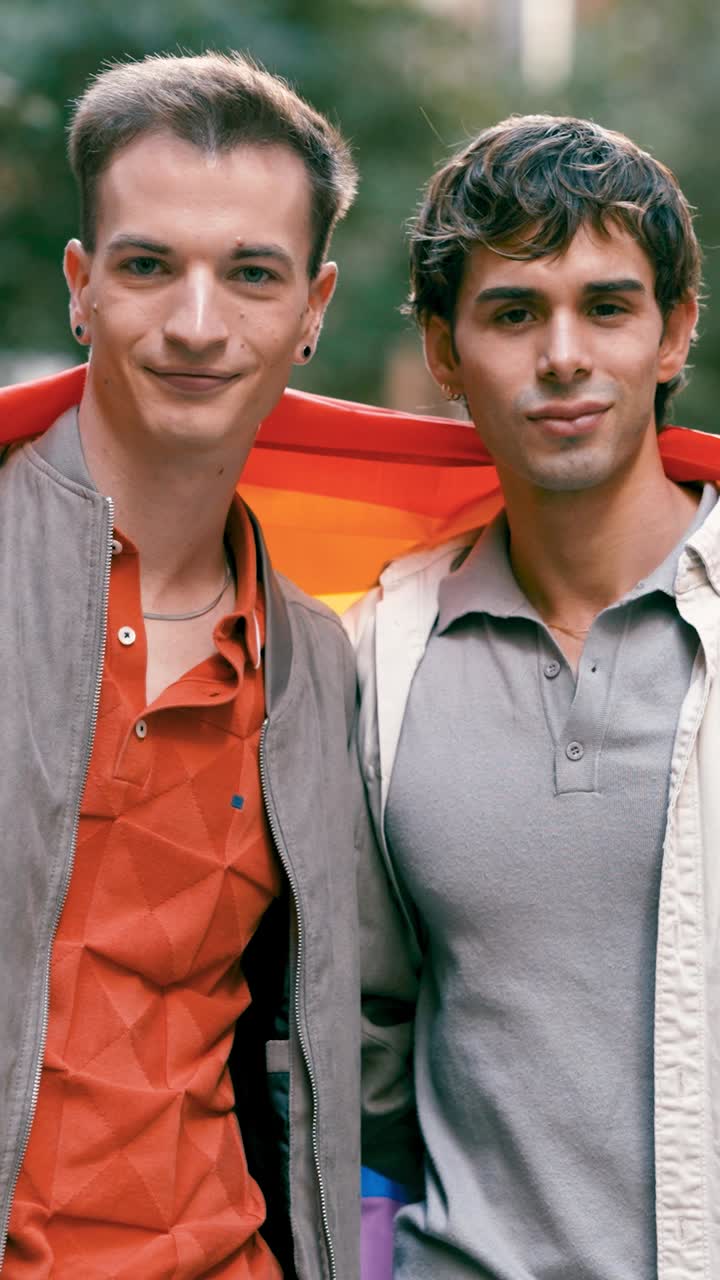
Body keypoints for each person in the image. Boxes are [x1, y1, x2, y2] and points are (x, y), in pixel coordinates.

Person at [0, 51, 364, 1279]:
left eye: (252, 274)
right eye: (149, 265)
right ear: (81, 287)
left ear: (312, 309)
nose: (198, 324)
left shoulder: (317, 661)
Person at [349, 115, 720, 1279]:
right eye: (514, 313)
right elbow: (363, 1037)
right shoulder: (378, 652)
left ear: (675, 330)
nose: (563, 355)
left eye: (607, 306)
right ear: (443, 350)